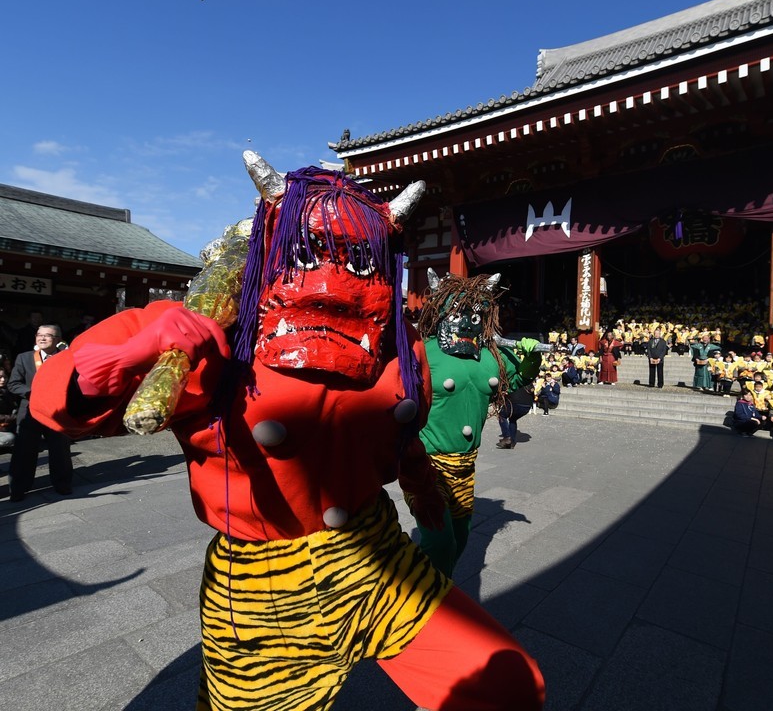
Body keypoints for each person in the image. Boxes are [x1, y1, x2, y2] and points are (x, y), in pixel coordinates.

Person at [28, 156, 544, 711]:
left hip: (377, 560)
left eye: (359, 260)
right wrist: (128, 355)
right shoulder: (215, 329)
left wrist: (422, 492)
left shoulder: (400, 347)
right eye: (309, 251)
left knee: (510, 685)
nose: (336, 277)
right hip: (263, 591)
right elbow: (57, 400)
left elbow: (399, 435)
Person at [412, 270, 541, 577]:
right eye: (458, 311)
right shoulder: (423, 351)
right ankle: (428, 604)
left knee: (460, 539)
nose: (466, 319)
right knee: (440, 541)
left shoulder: (489, 358)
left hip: (465, 469)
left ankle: (427, 586)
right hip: (426, 465)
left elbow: (519, 375)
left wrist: (531, 357)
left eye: (474, 313)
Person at [7, 324, 74, 500]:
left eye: (48, 336)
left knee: (60, 450)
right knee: (24, 452)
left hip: (57, 411)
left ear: (58, 339)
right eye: (39, 335)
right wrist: (33, 393)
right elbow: (13, 384)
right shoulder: (24, 358)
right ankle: (18, 488)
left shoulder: (66, 358)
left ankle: (62, 484)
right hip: (30, 412)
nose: (42, 338)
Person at [497, 382, 534, 449]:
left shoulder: (510, 378)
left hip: (515, 402)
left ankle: (507, 437)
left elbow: (503, 389)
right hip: (527, 406)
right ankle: (512, 443)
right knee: (513, 419)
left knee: (501, 415)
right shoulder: (527, 380)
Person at [0, 361, 18, 450]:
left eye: (4, 377)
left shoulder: (8, 391)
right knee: (10, 438)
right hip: (3, 424)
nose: (3, 380)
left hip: (7, 425)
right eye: (0, 377)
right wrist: (12, 417)